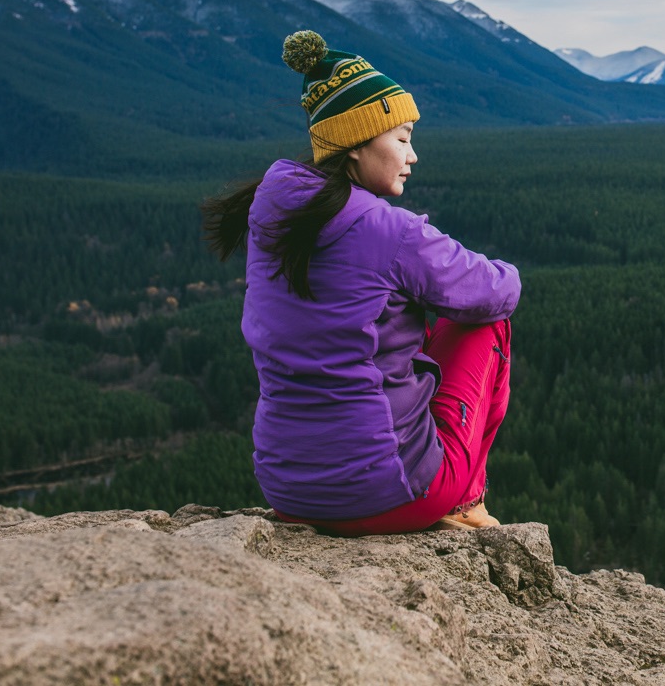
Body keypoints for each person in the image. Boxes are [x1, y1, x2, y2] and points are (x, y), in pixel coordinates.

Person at [201, 30, 520, 534]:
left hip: (288, 492)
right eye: (402, 139)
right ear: (355, 144)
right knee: (488, 324)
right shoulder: (391, 230)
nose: (412, 155)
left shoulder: (273, 213)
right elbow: (495, 292)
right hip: (390, 495)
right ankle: (467, 500)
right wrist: (499, 270)